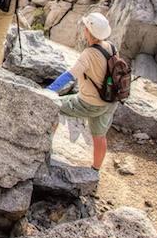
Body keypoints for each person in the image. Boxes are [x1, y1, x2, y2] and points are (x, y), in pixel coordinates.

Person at [46, 12, 118, 171]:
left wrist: (49, 91)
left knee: (54, 107)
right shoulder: (111, 47)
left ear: (89, 31)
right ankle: (95, 169)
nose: (84, 29)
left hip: (89, 103)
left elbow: (70, 75)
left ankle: (44, 150)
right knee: (99, 136)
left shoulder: (89, 54)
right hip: (110, 101)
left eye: (86, 27)